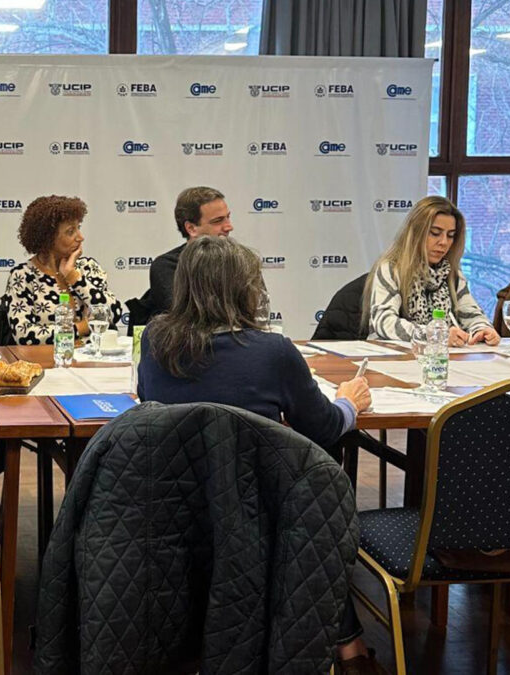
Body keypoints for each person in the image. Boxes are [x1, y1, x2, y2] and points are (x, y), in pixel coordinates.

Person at [137, 235, 382, 674]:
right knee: (313, 527)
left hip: (169, 509)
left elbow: (150, 401)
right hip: (256, 513)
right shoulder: (272, 351)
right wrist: (349, 402)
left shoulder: (155, 342)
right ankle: (351, 651)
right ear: (245, 288)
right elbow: (323, 428)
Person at [363, 196, 500, 347]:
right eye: (435, 233)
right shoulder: (391, 268)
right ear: (415, 233)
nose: (443, 242)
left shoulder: (452, 274)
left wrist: (482, 329)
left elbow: (471, 313)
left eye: (450, 235)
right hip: (393, 358)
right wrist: (432, 335)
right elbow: (384, 321)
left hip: (439, 358)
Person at [3, 195, 122, 345]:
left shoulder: (88, 267)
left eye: (79, 228)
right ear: (48, 238)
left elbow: (113, 312)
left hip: (91, 360)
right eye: (70, 232)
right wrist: (80, 328)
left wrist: (74, 277)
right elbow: (25, 335)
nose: (81, 237)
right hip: (47, 362)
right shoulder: (22, 276)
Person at [146, 186, 234, 317]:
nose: (229, 227)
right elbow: (183, 318)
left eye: (228, 217)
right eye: (218, 221)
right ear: (191, 228)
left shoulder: (241, 261)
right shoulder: (167, 266)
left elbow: (256, 311)